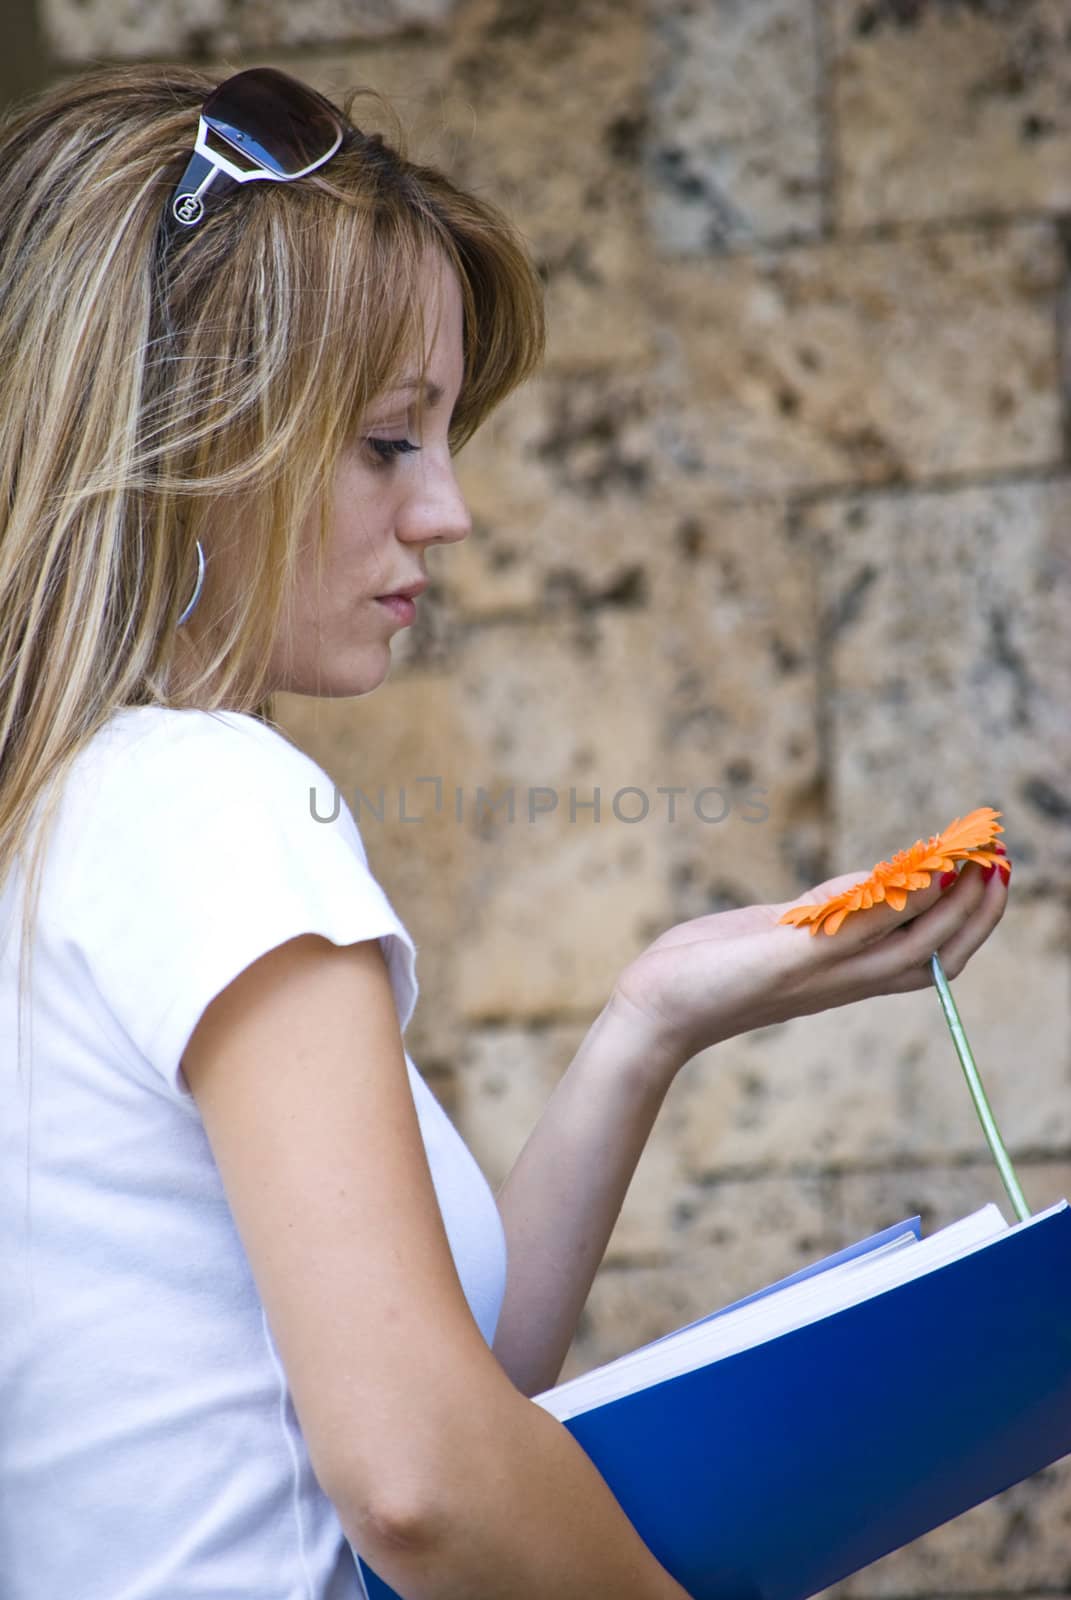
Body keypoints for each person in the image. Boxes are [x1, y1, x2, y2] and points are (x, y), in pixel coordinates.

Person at [0, 63, 1010, 1600]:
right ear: (189, 447)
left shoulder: (69, 818)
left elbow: (429, 1399)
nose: (449, 512)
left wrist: (646, 1024)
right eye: (387, 443)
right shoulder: (205, 797)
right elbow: (418, 1492)